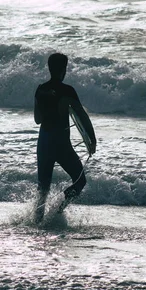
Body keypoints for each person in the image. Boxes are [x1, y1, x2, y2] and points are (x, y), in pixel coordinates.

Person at [33, 53, 96, 223]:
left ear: (49, 68)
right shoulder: (67, 91)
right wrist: (92, 139)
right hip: (60, 143)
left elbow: (37, 119)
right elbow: (82, 116)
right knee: (80, 181)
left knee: (43, 189)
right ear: (63, 69)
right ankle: (57, 210)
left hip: (44, 141)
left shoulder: (40, 89)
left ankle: (36, 223)